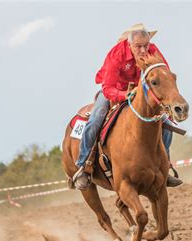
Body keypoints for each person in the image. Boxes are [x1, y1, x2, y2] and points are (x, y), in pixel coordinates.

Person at [73, 23, 183, 190]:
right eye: (138, 46)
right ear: (129, 44)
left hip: (142, 92)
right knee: (96, 120)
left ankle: (164, 165)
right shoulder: (116, 54)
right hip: (115, 90)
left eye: (146, 45)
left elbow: (164, 73)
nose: (144, 50)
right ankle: (83, 166)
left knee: (165, 122)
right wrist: (125, 95)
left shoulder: (153, 50)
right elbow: (108, 88)